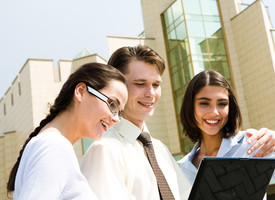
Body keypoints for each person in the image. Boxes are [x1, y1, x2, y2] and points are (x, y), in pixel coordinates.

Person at [80, 45, 191, 200]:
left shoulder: (161, 150)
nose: (151, 93)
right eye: (140, 84)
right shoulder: (105, 151)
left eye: (156, 85)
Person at [178, 70, 275, 198]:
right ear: (191, 107)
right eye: (204, 103)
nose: (215, 112)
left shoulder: (252, 143)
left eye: (222, 104)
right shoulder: (182, 168)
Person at [7, 62, 128, 200]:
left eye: (119, 113)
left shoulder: (53, 146)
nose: (116, 119)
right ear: (81, 91)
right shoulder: (54, 147)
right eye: (112, 104)